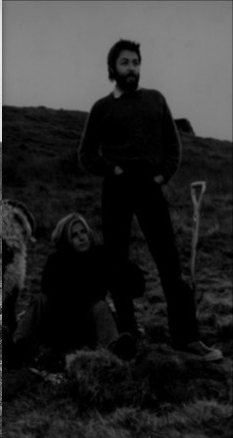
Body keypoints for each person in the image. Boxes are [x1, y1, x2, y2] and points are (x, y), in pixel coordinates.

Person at [78, 39, 222, 361]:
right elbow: (86, 154)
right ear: (112, 68)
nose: (132, 69)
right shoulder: (102, 108)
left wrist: (162, 176)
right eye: (125, 63)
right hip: (116, 190)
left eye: (136, 63)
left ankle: (187, 339)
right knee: (116, 264)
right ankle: (128, 336)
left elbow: (174, 146)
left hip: (149, 187)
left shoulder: (155, 100)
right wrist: (112, 168)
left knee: (169, 262)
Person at [6, 213, 137, 368]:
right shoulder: (56, 261)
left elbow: (123, 283)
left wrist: (128, 270)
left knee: (101, 306)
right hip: (60, 323)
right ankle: (17, 345)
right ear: (66, 240)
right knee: (40, 300)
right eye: (75, 235)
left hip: (87, 325)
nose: (81, 238)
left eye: (83, 232)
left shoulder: (100, 256)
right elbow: (51, 292)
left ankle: (114, 348)